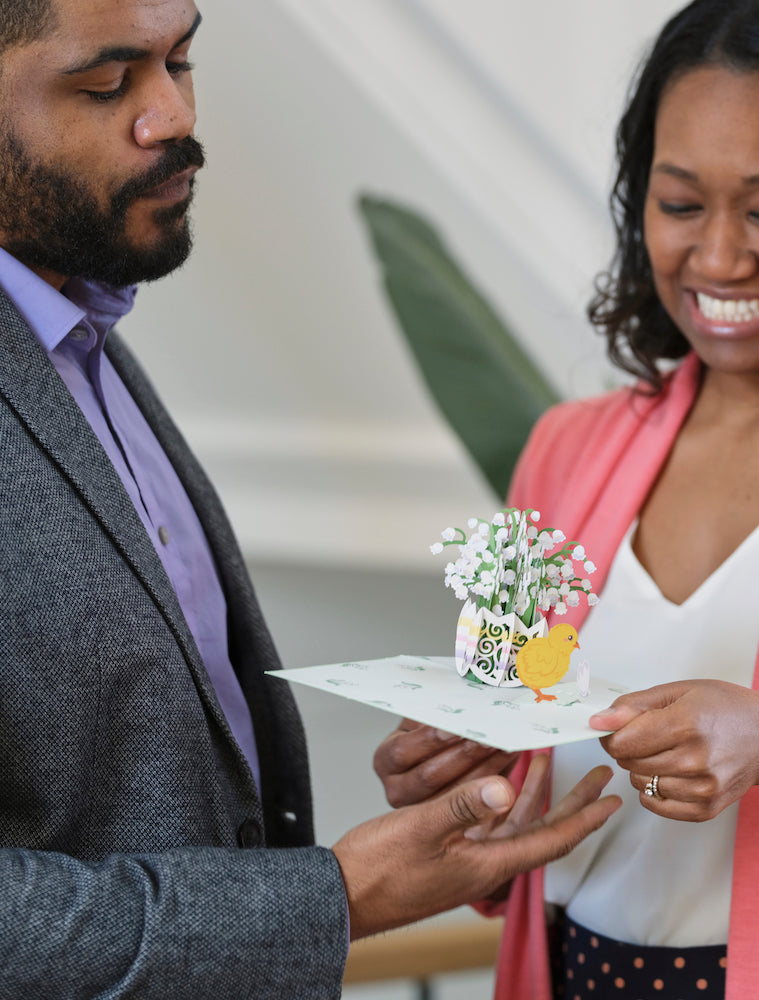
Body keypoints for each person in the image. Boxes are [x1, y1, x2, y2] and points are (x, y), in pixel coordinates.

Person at [374, 0, 759, 996]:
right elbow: (522, 803)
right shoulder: (568, 451)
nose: (716, 259)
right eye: (678, 205)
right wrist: (461, 786)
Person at [0, 1, 623, 996]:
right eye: (108, 84)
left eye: (183, 60)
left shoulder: (82, 336)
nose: (171, 116)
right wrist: (338, 897)